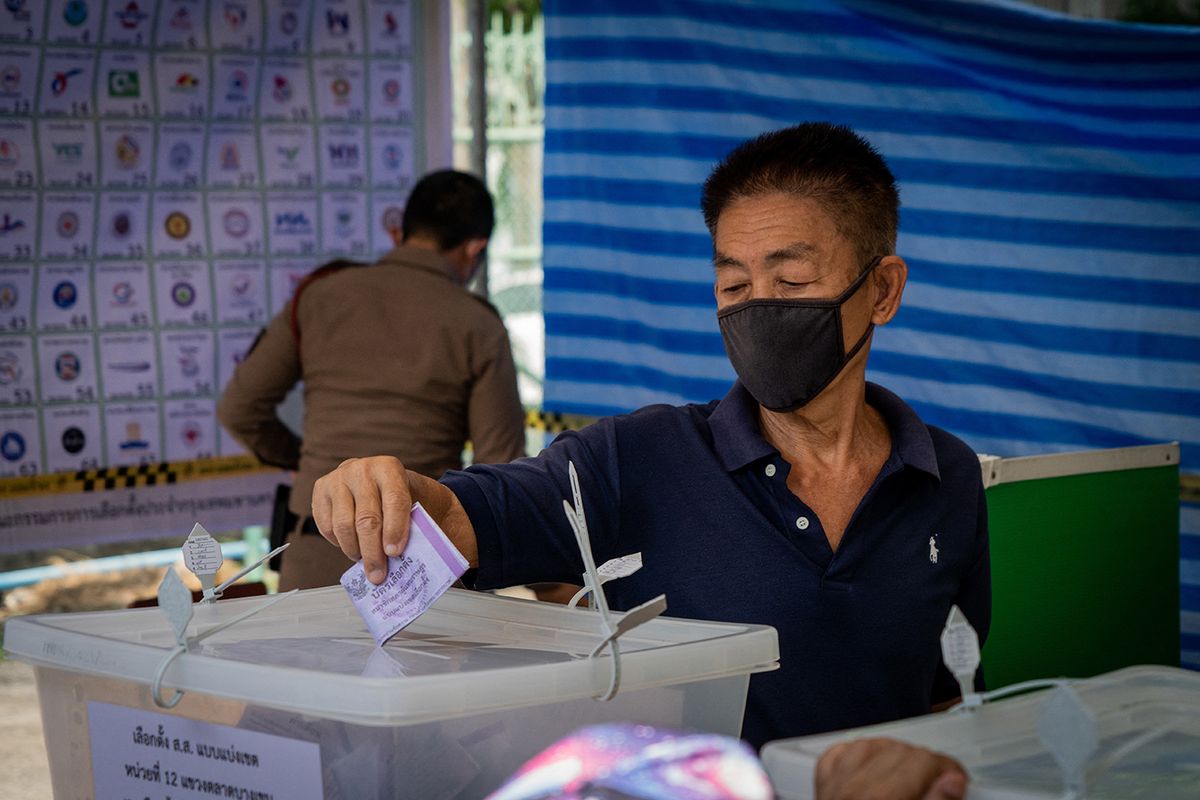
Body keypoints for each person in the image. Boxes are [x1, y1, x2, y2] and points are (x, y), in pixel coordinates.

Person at [312, 124, 991, 763]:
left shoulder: (947, 477)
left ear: (882, 289)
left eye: (791, 282)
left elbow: (944, 695)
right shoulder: (639, 457)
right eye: (733, 285)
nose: (758, 307)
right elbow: (471, 514)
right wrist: (388, 491)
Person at [218, 170, 525, 591]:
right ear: (475, 249)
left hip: (309, 560)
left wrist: (308, 461)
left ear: (403, 230)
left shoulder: (320, 296)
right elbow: (499, 471)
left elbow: (239, 410)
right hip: (415, 573)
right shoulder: (478, 325)